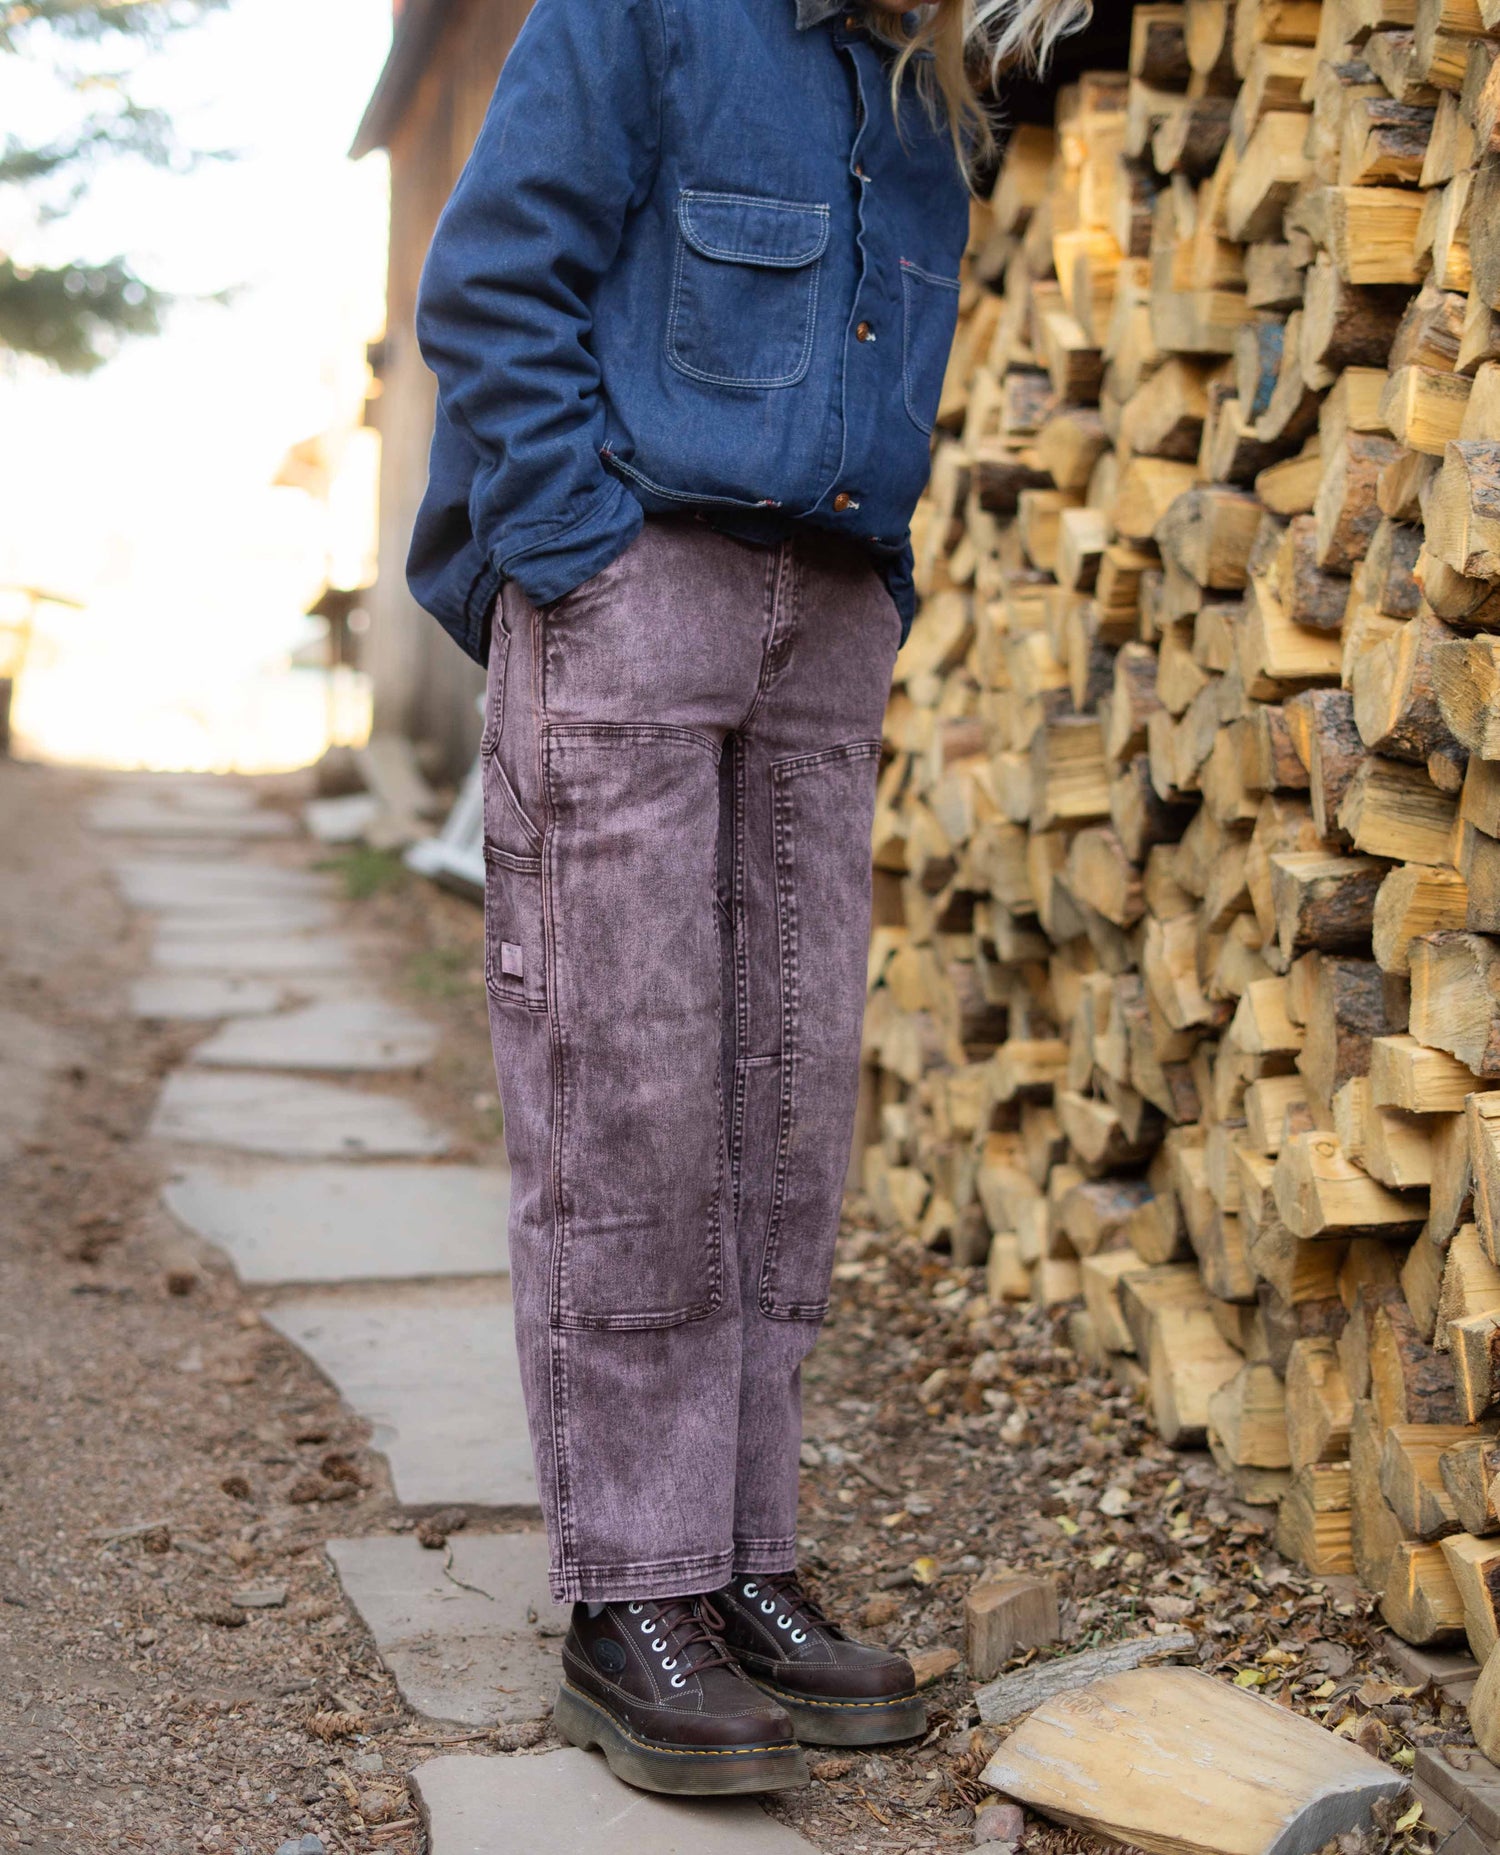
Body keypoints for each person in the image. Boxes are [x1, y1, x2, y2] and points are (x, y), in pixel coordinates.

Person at [410, 0, 1089, 1800]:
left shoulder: (932, 70)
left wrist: (880, 593)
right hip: (636, 593)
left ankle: (738, 1560)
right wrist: (579, 555)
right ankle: (631, 1590)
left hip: (828, 618)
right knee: (627, 1097)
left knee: (786, 1117)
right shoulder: (645, 14)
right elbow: (489, 286)